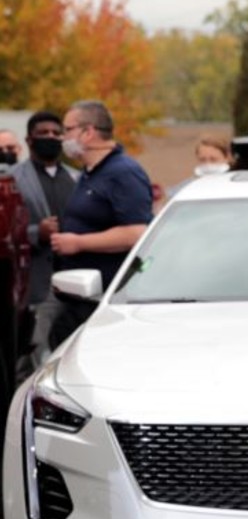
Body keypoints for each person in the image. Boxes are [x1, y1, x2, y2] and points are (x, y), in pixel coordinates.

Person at [49, 100, 152, 346]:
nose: (62, 138)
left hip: (104, 300)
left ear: (88, 132)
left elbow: (137, 232)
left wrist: (78, 243)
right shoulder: (90, 172)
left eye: (67, 130)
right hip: (78, 298)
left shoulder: (123, 173)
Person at [10, 111, 79, 374]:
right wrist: (36, 232)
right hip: (35, 283)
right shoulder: (13, 179)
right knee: (34, 355)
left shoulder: (76, 177)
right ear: (29, 140)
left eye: (55, 133)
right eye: (43, 133)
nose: (50, 137)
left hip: (74, 279)